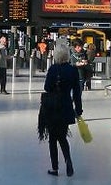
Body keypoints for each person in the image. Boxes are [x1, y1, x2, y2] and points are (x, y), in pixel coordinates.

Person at [37, 43, 82, 177]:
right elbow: (77, 92)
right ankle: (68, 161)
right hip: (66, 106)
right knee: (62, 137)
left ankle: (55, 168)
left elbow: (47, 87)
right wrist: (78, 110)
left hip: (52, 108)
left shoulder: (53, 69)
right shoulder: (73, 70)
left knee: (52, 138)